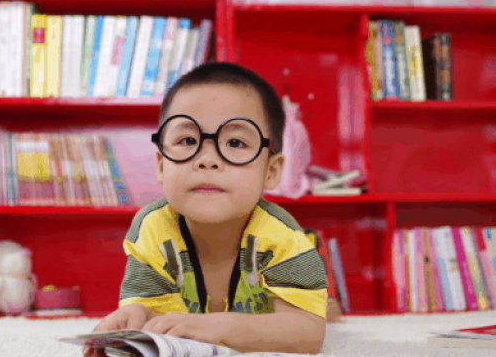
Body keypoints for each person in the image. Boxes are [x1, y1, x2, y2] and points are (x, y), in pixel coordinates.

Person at [84, 62, 328, 357]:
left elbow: (309, 333)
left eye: (235, 142)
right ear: (161, 165)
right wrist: (133, 319)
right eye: (188, 140)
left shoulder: (284, 236)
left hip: (278, 307)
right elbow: (151, 314)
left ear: (271, 171)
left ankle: (328, 302)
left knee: (323, 310)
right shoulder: (151, 228)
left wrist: (219, 328)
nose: (208, 159)